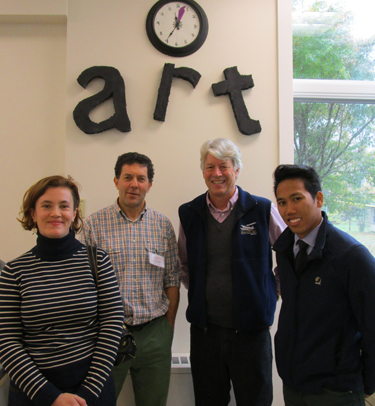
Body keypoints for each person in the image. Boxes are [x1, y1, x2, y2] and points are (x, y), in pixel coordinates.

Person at [178, 138, 286, 406]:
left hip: (251, 334)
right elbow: (184, 264)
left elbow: (288, 252)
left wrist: (272, 291)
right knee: (208, 400)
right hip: (205, 334)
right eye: (209, 167)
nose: (216, 174)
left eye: (223, 166)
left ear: (236, 170)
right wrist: (204, 293)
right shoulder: (189, 213)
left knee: (256, 400)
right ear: (202, 171)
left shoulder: (261, 209)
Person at [0, 175, 124, 406]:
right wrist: (51, 397)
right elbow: (7, 341)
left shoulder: (97, 260)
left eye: (64, 206)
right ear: (33, 213)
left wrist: (87, 392)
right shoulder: (14, 272)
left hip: (93, 392)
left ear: (74, 213)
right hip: (33, 394)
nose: (56, 213)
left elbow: (112, 324)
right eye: (46, 205)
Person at [78, 152, 181, 406]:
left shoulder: (163, 226)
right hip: (109, 334)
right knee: (99, 401)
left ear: (149, 185)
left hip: (155, 333)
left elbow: (172, 280)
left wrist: (167, 328)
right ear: (116, 181)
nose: (134, 184)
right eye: (127, 177)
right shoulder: (93, 226)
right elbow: (85, 283)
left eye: (141, 178)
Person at [272, 164, 375, 406]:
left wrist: (366, 386)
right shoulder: (285, 249)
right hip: (294, 385)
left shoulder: (351, 256)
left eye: (297, 198)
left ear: (318, 199)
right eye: (282, 202)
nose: (289, 209)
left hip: (336, 392)